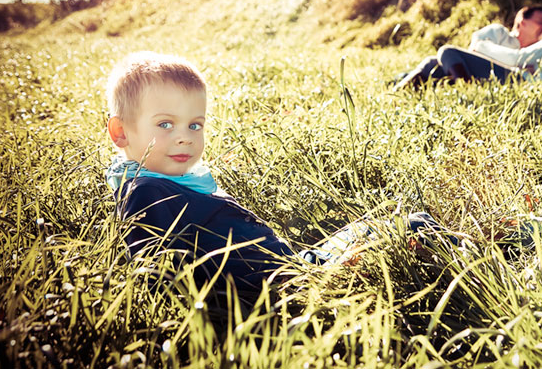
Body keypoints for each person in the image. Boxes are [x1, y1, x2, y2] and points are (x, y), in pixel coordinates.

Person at [105, 52, 455, 303]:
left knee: (391, 220)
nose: (185, 137)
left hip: (294, 266)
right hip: (293, 283)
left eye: (195, 125)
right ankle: (485, 257)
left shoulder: (171, 179)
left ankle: (465, 250)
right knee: (412, 226)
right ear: (120, 132)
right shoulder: (145, 191)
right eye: (165, 124)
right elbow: (154, 273)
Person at [393, 5, 542, 90]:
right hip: (472, 70)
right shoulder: (500, 32)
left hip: (497, 80)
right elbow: (476, 47)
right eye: (540, 21)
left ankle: (467, 91)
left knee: (444, 54)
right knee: (433, 63)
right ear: (522, 22)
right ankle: (397, 92)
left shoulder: (538, 51)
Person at [439, 18, 542, 83]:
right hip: (528, 83)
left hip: (522, 82)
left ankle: (464, 88)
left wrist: (483, 46)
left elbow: (517, 58)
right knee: (438, 63)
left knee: (448, 52)